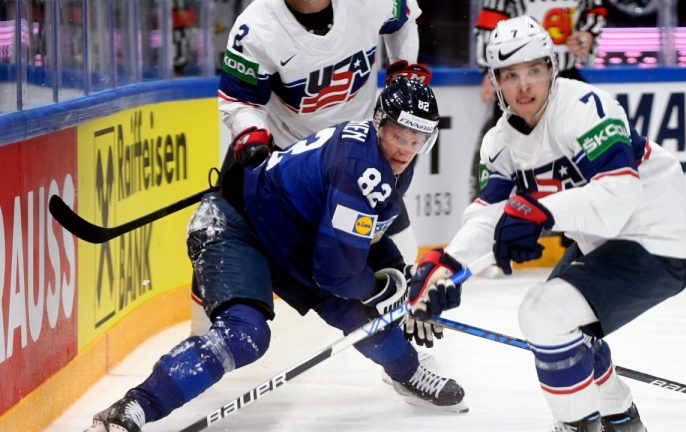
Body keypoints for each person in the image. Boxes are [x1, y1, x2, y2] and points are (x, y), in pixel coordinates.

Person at [86, 77, 467, 432]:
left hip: (296, 242)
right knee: (244, 333)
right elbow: (337, 274)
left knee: (363, 316)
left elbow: (366, 234)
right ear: (380, 123)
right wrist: (383, 290)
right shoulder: (361, 169)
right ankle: (132, 408)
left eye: (417, 139)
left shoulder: (389, 162)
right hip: (239, 228)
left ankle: (408, 372)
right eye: (400, 135)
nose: (406, 148)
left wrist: (396, 273)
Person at [408, 16, 686, 432]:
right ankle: (621, 417)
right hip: (605, 240)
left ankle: (578, 424)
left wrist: (540, 212)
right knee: (564, 326)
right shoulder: (499, 143)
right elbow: (489, 213)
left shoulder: (584, 108)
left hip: (659, 238)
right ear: (496, 81)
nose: (524, 85)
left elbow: (619, 195)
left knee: (545, 315)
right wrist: (447, 266)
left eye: (534, 70)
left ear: (552, 68)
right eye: (511, 75)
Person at [189, 0, 431, 335]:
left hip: (360, 158)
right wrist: (251, 134)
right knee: (222, 233)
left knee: (399, 245)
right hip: (291, 160)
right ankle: (202, 333)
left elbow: (403, 19)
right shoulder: (256, 27)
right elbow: (240, 100)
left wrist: (404, 67)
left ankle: (403, 329)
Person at [471, 0, 607, 197]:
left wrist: (588, 33)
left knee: (582, 143)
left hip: (564, 74)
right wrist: (489, 69)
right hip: (519, 75)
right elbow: (492, 13)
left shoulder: (583, 98)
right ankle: (503, 202)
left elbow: (595, 9)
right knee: (508, 150)